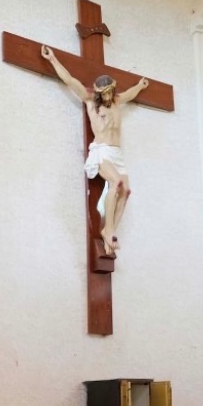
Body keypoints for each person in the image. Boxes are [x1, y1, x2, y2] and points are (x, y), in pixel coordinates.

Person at [41, 45, 148, 259]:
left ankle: (110, 231)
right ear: (99, 93)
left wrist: (140, 86)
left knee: (126, 191)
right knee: (116, 184)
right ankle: (107, 229)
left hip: (117, 154)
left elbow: (129, 94)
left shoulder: (117, 101)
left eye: (111, 93)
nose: (109, 97)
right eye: (105, 94)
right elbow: (70, 80)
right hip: (102, 152)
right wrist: (53, 59)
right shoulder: (91, 102)